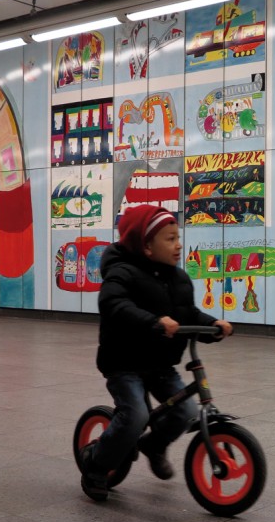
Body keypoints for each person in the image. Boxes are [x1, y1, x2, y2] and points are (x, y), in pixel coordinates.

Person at [78, 204, 234, 501]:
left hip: (161, 364)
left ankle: (154, 445)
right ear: (147, 247)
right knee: (135, 415)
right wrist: (153, 322)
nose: (179, 245)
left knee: (186, 412)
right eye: (170, 239)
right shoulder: (121, 273)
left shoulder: (179, 279)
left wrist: (213, 325)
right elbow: (114, 305)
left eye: (178, 238)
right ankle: (96, 464)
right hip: (124, 363)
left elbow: (188, 313)